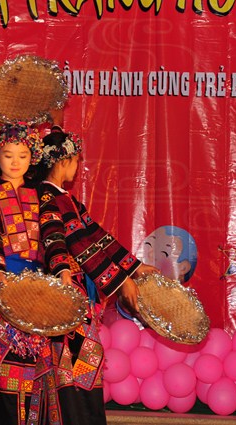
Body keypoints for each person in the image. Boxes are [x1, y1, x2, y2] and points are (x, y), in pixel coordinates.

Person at [34, 127, 158, 424]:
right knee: (73, 365)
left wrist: (134, 267)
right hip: (62, 293)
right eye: (76, 161)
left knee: (82, 363)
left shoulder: (67, 199)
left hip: (75, 291)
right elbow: (79, 245)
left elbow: (97, 237)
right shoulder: (50, 198)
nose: (77, 167)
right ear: (63, 161)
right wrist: (122, 281)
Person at [0, 122, 74, 425]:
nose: (15, 162)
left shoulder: (42, 193)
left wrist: (63, 268)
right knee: (3, 366)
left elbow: (53, 233)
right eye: (8, 155)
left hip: (36, 288)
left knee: (37, 367)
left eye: (23, 156)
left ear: (33, 157)